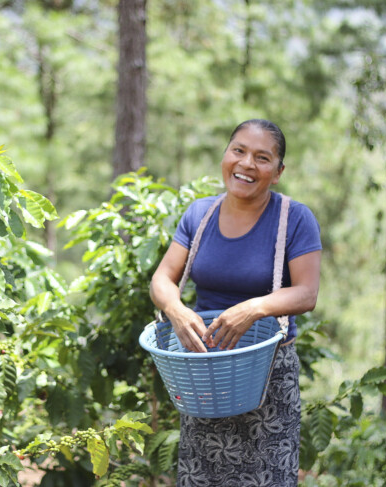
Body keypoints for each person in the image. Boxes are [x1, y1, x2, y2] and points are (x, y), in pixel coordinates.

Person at [149, 119, 322, 486]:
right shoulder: (199, 215)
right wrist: (176, 310)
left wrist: (255, 307)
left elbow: (306, 293)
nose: (246, 164)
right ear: (225, 155)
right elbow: (163, 280)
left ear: (277, 172)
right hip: (207, 375)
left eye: (262, 158)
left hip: (269, 378)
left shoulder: (294, 219)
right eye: (238, 151)